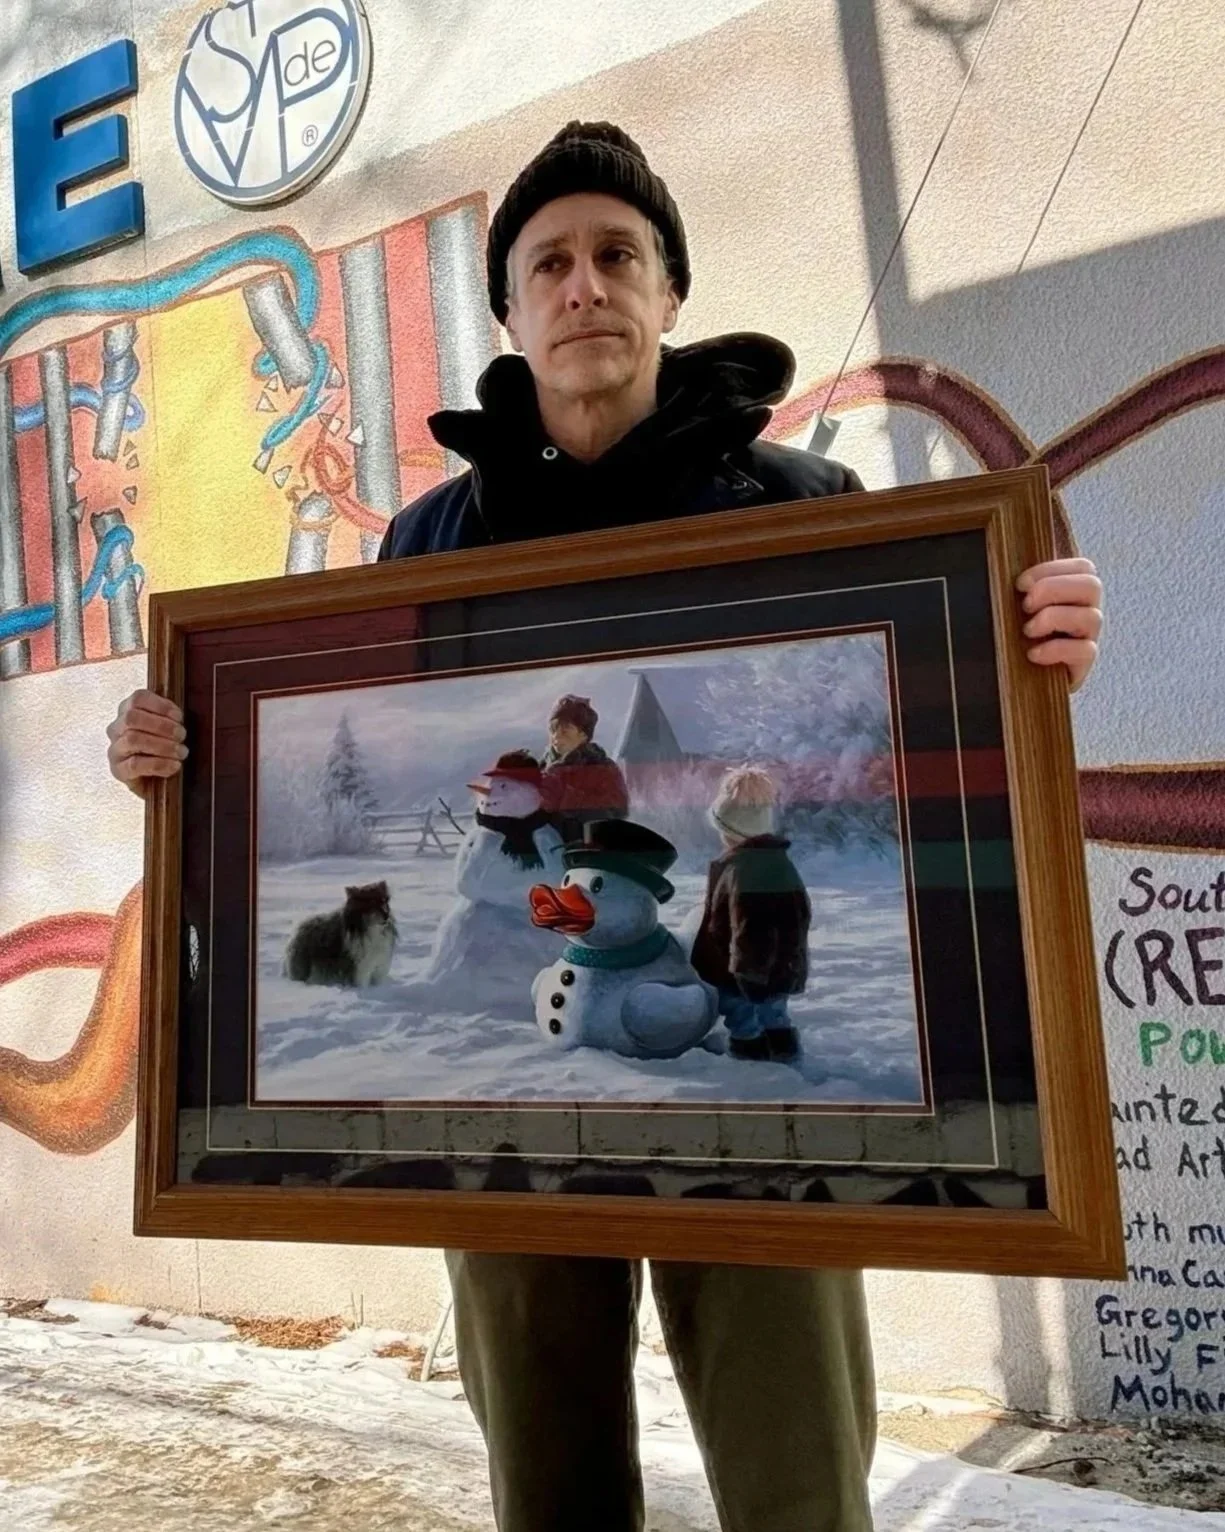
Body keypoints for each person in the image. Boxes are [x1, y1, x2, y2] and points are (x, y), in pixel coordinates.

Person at [106, 120, 1104, 1532]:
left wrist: (1033, 656)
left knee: (794, 1474)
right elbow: (356, 741)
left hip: (768, 1115)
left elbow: (927, 736)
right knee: (548, 1470)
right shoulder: (430, 540)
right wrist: (180, 750)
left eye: (617, 255)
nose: (586, 286)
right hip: (501, 1084)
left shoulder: (807, 509)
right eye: (551, 262)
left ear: (667, 294)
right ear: (509, 310)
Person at [691, 765, 811, 1063]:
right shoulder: (770, 862)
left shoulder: (746, 870)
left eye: (723, 831)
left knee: (744, 1015)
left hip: (744, 972)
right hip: (775, 968)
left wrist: (748, 974)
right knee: (773, 1013)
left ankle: (752, 1056)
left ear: (733, 832)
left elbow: (752, 928)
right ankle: (784, 1052)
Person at [541, 692, 630, 843]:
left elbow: (618, 811)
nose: (556, 736)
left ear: (583, 735)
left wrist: (566, 795)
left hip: (588, 851)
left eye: (565, 730)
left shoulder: (602, 767)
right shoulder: (541, 767)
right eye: (553, 729)